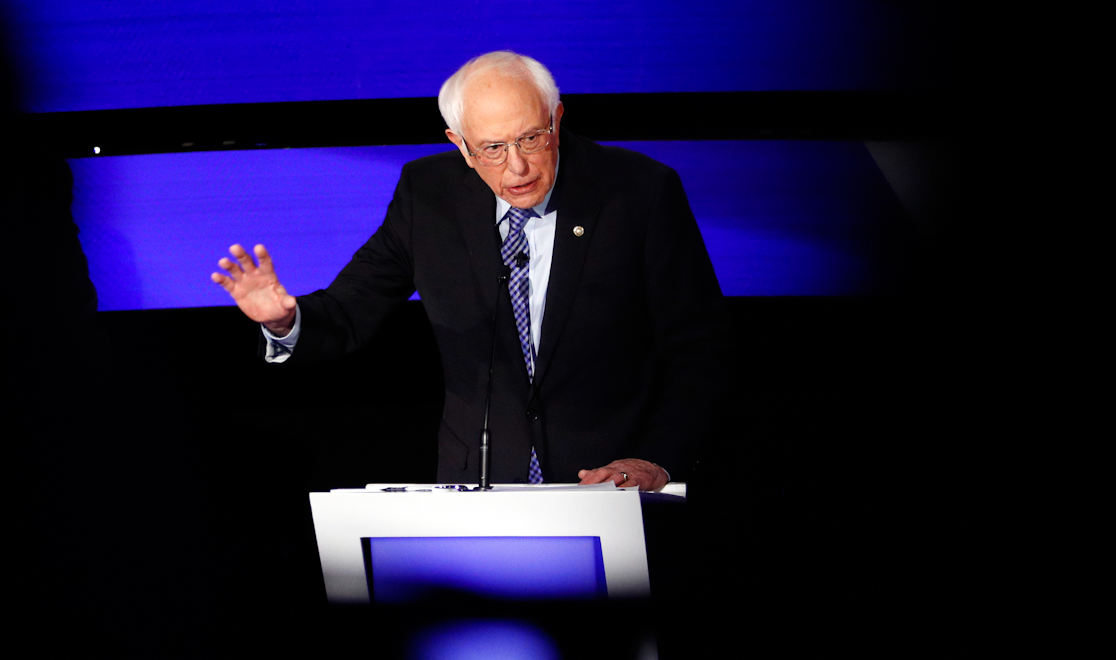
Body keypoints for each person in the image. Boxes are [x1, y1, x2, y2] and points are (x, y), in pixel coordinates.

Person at [211, 51, 728, 491]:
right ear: (460, 144)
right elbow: (351, 309)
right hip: (479, 486)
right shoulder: (428, 195)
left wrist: (655, 460)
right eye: (493, 149)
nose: (518, 167)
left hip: (613, 486)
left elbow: (699, 348)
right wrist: (285, 321)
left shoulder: (638, 191)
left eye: (530, 139)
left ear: (557, 119)